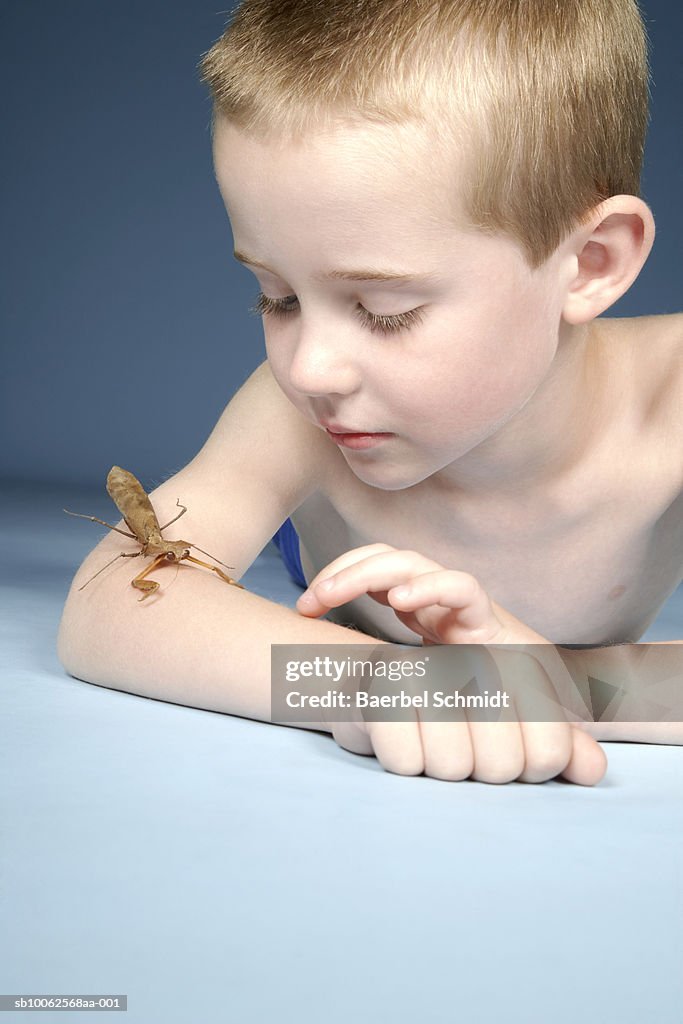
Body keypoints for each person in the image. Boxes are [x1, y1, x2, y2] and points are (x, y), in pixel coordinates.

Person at [58, 0, 682, 787]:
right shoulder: (299, 413)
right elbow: (105, 605)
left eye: (385, 311)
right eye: (275, 297)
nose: (310, 369)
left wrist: (533, 688)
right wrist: (383, 685)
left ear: (589, 263)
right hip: (322, 550)